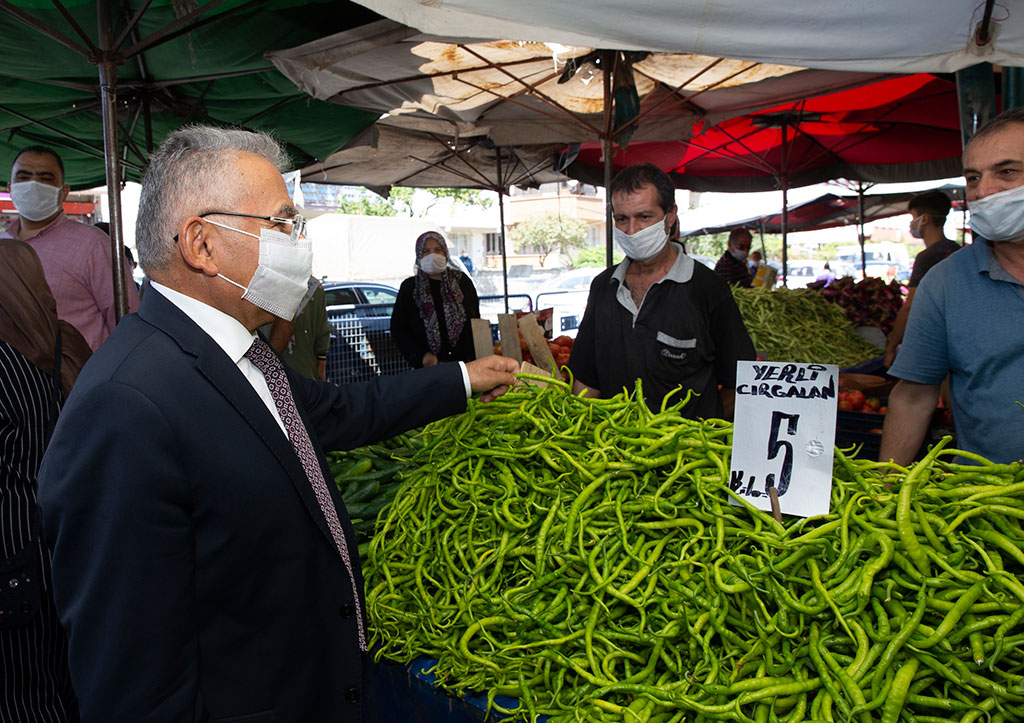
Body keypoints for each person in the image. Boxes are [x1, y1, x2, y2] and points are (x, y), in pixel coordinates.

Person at [35, 125, 518, 723]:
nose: (298, 243)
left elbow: (341, 412)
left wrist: (464, 379)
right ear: (202, 244)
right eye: (283, 223)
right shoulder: (126, 404)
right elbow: (135, 685)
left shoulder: (244, 357)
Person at [879, 107, 1024, 466]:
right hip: (988, 508)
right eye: (973, 178)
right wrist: (884, 488)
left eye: (1006, 172)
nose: (984, 192)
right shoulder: (945, 283)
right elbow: (913, 397)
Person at [568, 163, 755, 419]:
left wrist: (701, 434)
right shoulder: (603, 287)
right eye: (622, 219)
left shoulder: (707, 289)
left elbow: (740, 382)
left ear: (670, 215)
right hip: (613, 452)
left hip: (687, 453)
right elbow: (587, 382)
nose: (632, 231)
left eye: (644, 217)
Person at [0, 240, 91, 722]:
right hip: (63, 546)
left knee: (20, 694)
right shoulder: (66, 344)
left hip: (12, 556)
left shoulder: (2, 366)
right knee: (58, 682)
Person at [2, 146, 140, 350]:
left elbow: (127, 320)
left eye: (45, 178)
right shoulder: (3, 244)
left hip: (77, 378)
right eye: (24, 177)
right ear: (10, 187)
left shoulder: (93, 244)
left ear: (64, 191)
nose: (33, 185)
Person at [882, 190, 959, 368]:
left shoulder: (928, 257)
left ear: (923, 219)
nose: (911, 223)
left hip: (939, 344)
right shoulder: (957, 250)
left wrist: (891, 347)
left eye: (913, 217)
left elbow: (910, 307)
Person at [391, 231, 481, 368]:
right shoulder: (409, 288)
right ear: (419, 256)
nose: (433, 255)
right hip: (428, 368)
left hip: (465, 365)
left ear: (445, 252)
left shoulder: (462, 282)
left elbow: (476, 321)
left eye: (437, 250)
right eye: (426, 251)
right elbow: (399, 329)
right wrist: (420, 355)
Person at [260, 281, 330, 381]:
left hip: (271, 370)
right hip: (303, 370)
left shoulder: (266, 281)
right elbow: (322, 332)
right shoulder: (314, 286)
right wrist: (321, 362)